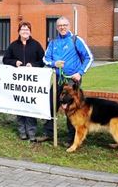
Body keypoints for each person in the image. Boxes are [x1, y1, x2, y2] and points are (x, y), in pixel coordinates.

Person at [38, 16, 93, 144]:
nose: (62, 27)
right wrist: (54, 63)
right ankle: (49, 133)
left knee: (71, 108)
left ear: (69, 26)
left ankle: (72, 138)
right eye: (60, 25)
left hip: (71, 81)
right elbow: (45, 59)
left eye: (64, 25)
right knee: (51, 105)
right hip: (57, 79)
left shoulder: (76, 40)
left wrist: (80, 73)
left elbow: (89, 57)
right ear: (57, 27)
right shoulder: (53, 43)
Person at [2, 21, 46, 142]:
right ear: (19, 31)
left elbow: (43, 61)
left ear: (30, 32)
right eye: (22, 29)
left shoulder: (36, 45)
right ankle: (22, 131)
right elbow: (5, 59)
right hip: (18, 82)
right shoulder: (13, 45)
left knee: (30, 105)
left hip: (32, 82)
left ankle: (31, 132)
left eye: (27, 29)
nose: (25, 31)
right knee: (19, 105)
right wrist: (14, 62)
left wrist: (33, 65)